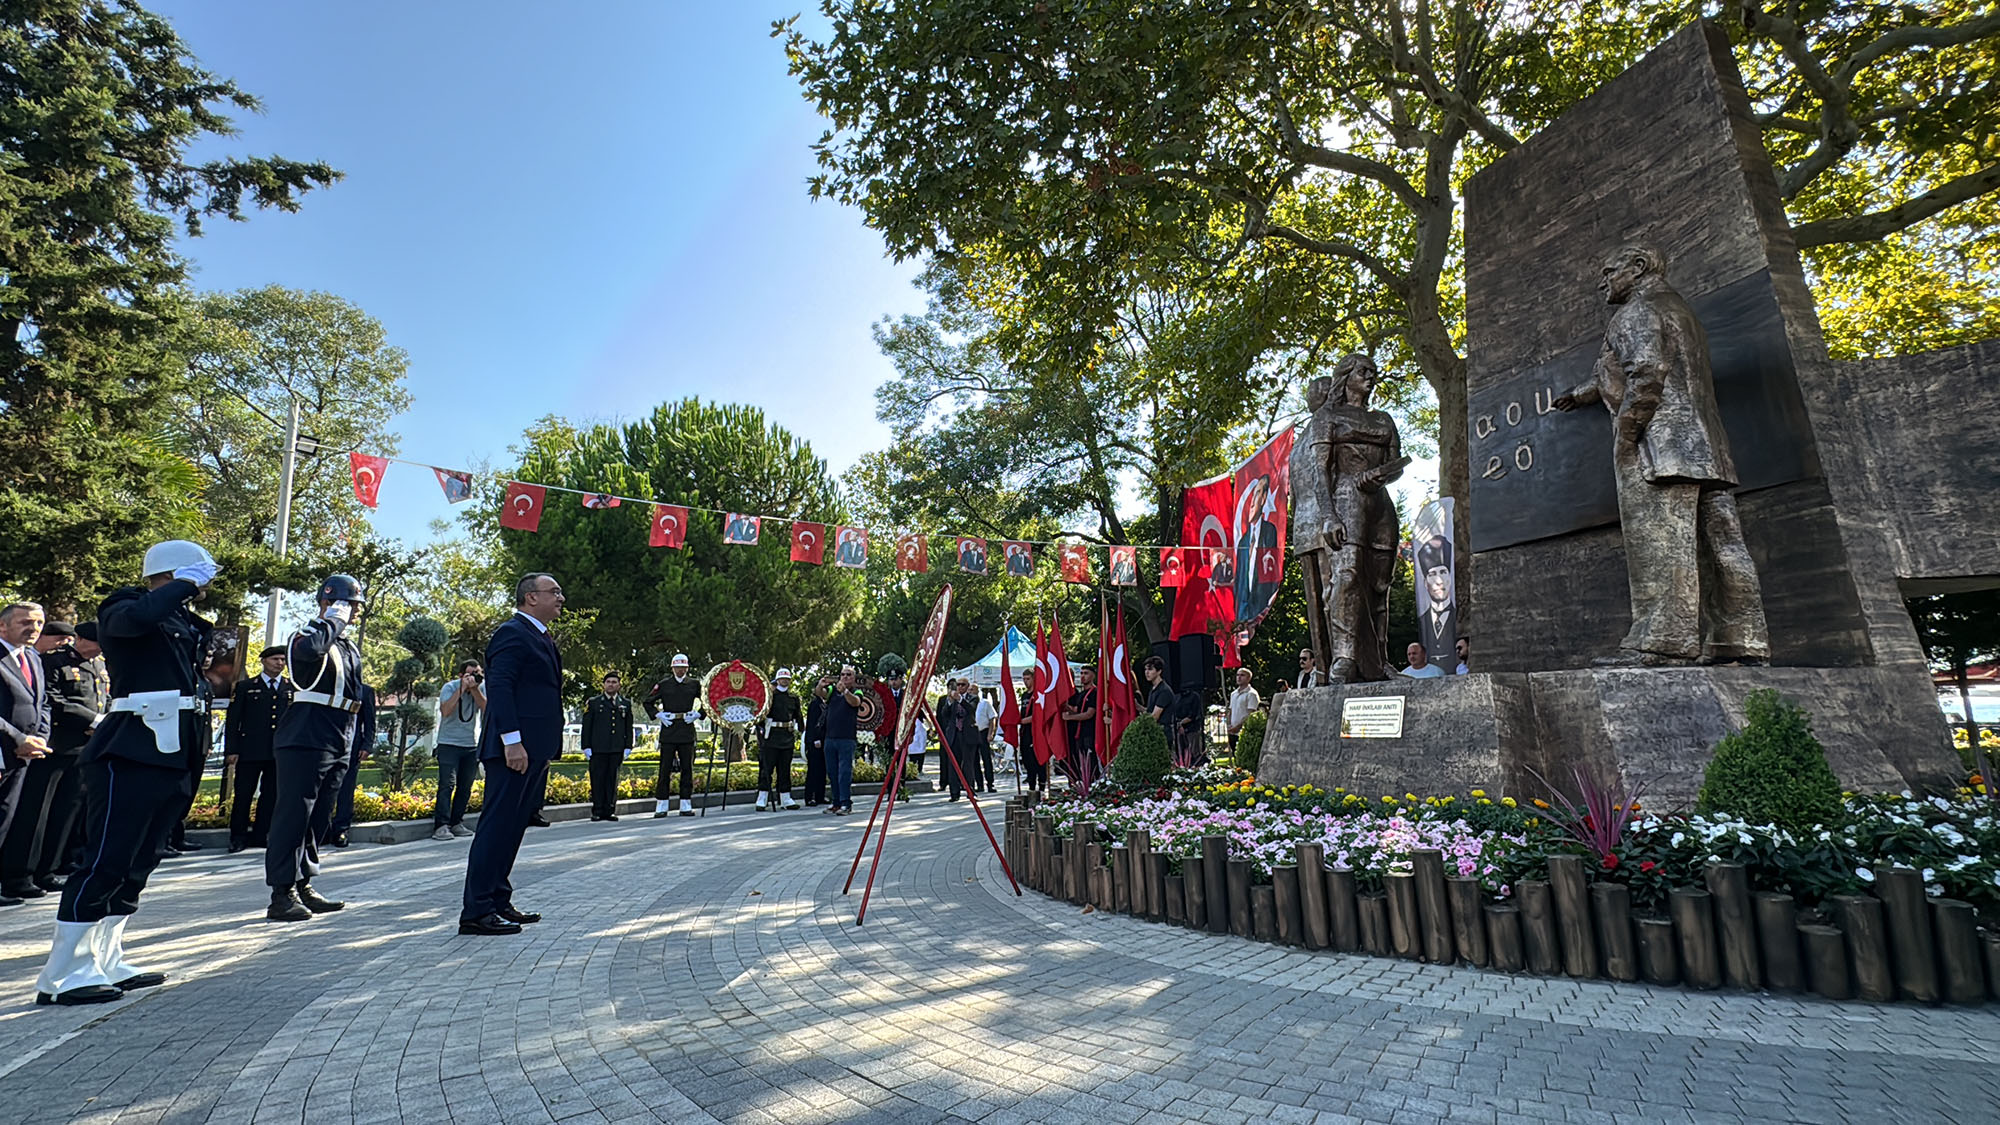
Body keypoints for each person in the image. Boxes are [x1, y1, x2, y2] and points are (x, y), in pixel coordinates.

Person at [1552, 243, 1769, 666]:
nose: (1603, 281)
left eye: (1609, 269)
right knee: (1722, 545)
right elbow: (1631, 370)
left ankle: (1662, 642)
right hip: (1708, 450)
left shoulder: (1633, 313)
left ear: (1638, 267)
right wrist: (1580, 395)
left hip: (1659, 450)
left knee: (1660, 545)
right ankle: (1738, 639)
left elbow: (1646, 372)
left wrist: (1628, 434)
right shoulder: (1681, 313)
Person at [36, 540, 217, 1005]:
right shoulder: (125, 606)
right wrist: (181, 584)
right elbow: (133, 621)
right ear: (173, 573)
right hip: (131, 749)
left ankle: (106, 957)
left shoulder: (183, 621)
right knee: (105, 859)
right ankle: (62, 974)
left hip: (176, 749)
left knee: (140, 862)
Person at [459, 573, 566, 936]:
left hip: (533, 748)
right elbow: (501, 688)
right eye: (554, 592)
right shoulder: (512, 632)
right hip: (512, 749)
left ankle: (498, 899)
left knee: (513, 828)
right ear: (530, 598)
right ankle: (476, 910)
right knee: (496, 826)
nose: (561, 598)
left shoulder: (540, 635)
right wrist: (512, 740)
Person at [263, 574, 368, 922]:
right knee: (294, 816)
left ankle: (304, 882)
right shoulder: (307, 636)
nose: (353, 612)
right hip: (306, 737)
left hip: (339, 735)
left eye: (353, 606)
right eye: (348, 604)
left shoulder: (348, 646)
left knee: (319, 816)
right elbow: (311, 651)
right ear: (329, 602)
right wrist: (332, 618)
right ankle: (281, 893)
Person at [1, 621, 102, 899]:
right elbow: (54, 700)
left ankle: (48, 869)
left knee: (66, 811)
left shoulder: (95, 666)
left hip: (80, 747)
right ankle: (21, 874)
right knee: (36, 813)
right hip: (53, 748)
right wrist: (91, 720)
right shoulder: (53, 662)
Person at [0, 602, 51, 908]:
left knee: (8, 820)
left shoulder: (32, 656)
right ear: (3, 626)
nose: (33, 629)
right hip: (6, 747)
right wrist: (19, 738)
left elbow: (42, 702)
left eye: (39, 623)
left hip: (25, 753)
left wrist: (40, 738)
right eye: (25, 622)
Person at [222, 647, 290, 853]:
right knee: (243, 795)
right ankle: (238, 836)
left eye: (282, 660)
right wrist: (231, 749)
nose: (279, 663)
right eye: (275, 659)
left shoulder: (290, 688)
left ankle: (261, 834)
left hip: (277, 751)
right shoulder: (245, 687)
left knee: (270, 795)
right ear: (263, 661)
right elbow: (233, 721)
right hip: (250, 750)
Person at [432, 660, 485, 840]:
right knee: (447, 785)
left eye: (477, 673)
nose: (474, 677)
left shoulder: (481, 687)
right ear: (461, 675)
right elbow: (446, 711)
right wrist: (461, 689)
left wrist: (475, 689)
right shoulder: (450, 687)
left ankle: (456, 822)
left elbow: (487, 709)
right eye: (470, 674)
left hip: (470, 744)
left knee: (465, 787)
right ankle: (441, 825)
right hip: (448, 744)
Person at [644, 654, 701, 818]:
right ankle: (662, 804)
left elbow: (708, 700)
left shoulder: (694, 684)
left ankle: (685, 803)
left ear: (687, 668)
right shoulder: (664, 684)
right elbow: (648, 702)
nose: (680, 670)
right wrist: (658, 715)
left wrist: (699, 714)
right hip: (669, 729)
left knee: (687, 769)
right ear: (672, 668)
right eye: (677, 667)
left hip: (686, 727)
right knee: (664, 769)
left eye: (683, 667)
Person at [322, 683, 374, 849]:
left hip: (352, 745)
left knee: (346, 788)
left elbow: (370, 720)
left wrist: (367, 745)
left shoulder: (364, 691)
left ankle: (341, 829)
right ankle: (321, 828)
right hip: (324, 744)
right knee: (323, 787)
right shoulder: (324, 686)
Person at [582, 672, 634, 821]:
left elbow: (628, 726)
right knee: (598, 779)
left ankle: (610, 810)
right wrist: (586, 746)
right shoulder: (594, 702)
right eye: (608, 682)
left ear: (619, 685)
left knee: (612, 779)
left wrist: (627, 746)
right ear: (604, 684)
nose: (611, 684)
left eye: (614, 682)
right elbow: (587, 726)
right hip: (598, 748)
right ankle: (597, 810)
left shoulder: (625, 703)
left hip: (616, 748)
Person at [755, 668, 803, 811]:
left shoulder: (793, 698)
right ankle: (762, 797)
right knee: (767, 768)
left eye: (787, 679)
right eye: (782, 679)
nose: (784, 681)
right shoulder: (769, 697)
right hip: (771, 736)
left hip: (786, 736)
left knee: (784, 769)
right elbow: (760, 716)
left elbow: (798, 716)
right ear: (777, 680)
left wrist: (802, 729)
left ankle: (785, 797)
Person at [821, 665, 863, 815]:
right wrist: (821, 684)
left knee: (844, 772)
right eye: (842, 674)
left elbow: (855, 702)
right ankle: (836, 802)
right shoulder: (833, 691)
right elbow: (820, 693)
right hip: (830, 737)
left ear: (853, 678)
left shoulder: (855, 691)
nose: (845, 677)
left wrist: (844, 691)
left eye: (848, 675)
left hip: (846, 738)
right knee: (832, 772)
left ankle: (846, 803)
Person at [1061, 668, 1097, 781]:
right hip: (1079, 733)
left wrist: (1070, 717)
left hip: (1089, 732)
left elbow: (1089, 714)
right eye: (1081, 673)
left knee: (1091, 761)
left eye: (1086, 673)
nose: (1082, 676)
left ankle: (1094, 783)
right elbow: (1077, 710)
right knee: (1081, 762)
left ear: (1093, 676)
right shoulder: (1081, 694)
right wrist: (1066, 707)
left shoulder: (1094, 692)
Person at [803, 674, 830, 807]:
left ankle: (820, 795)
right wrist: (814, 739)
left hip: (826, 740)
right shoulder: (815, 704)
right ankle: (810, 796)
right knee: (813, 769)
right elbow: (812, 724)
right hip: (815, 741)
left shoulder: (828, 703)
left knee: (822, 770)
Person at [1016, 673, 1045, 795]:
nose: (1025, 681)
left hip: (1036, 732)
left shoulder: (1038, 695)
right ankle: (1031, 786)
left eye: (1028, 679)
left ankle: (1042, 786)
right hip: (1024, 732)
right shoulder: (1024, 696)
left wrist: (1022, 721)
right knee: (1027, 760)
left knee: (1037, 760)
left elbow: (1038, 715)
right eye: (1024, 679)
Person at [1226, 668, 1260, 757]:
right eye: (1237, 675)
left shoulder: (1251, 694)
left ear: (1248, 678)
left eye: (1242, 675)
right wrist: (1229, 725)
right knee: (1235, 756)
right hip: (1232, 732)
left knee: (1244, 756)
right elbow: (1231, 711)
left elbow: (1251, 714)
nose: (1239, 677)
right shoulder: (1233, 694)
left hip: (1244, 732)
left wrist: (1238, 727)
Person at [1143, 656, 1176, 738]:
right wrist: (1138, 706)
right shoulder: (1153, 689)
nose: (1147, 672)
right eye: (1145, 669)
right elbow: (1149, 710)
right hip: (1155, 733)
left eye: (1150, 669)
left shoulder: (1164, 691)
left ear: (1159, 671)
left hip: (1162, 734)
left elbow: (1155, 716)